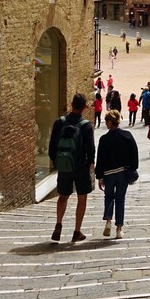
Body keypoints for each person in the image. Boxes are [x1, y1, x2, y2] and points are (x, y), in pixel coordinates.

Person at [48, 93, 95, 243]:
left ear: (71, 104)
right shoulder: (86, 125)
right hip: (80, 168)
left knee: (63, 196)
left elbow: (51, 147)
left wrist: (58, 163)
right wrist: (90, 164)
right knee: (82, 198)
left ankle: (58, 223)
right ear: (85, 107)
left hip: (64, 167)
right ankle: (77, 231)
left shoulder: (59, 122)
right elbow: (91, 149)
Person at [95, 109, 139, 240]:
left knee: (109, 197)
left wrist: (99, 176)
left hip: (108, 174)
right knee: (120, 199)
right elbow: (134, 154)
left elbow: (100, 159)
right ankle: (119, 229)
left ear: (109, 122)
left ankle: (108, 221)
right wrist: (133, 168)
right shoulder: (127, 135)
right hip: (123, 173)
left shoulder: (104, 139)